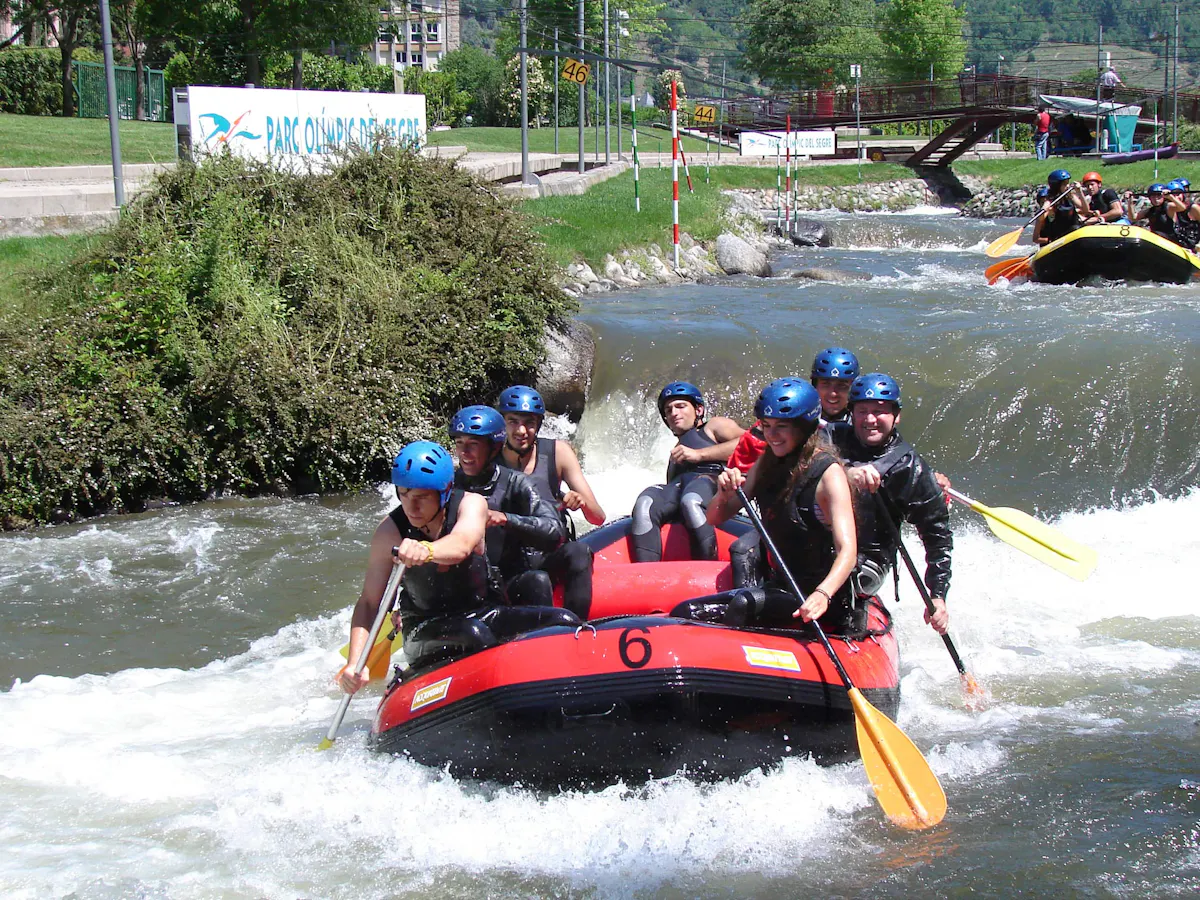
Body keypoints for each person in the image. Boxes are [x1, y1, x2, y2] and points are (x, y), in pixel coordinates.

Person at [338, 441, 490, 695]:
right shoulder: (390, 531)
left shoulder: (471, 504)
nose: (411, 507)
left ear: (445, 492)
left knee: (557, 619)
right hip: (423, 627)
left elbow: (462, 544)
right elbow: (369, 603)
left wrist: (427, 550)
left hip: (482, 611)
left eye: (421, 497)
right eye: (404, 494)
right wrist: (355, 663)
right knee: (473, 634)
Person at [705, 378, 858, 631]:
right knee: (688, 611)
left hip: (820, 598)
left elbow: (848, 550)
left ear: (805, 426)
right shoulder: (766, 463)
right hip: (782, 587)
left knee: (743, 603)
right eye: (766, 426)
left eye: (781, 426)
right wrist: (723, 494)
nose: (771, 435)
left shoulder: (829, 474)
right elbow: (714, 518)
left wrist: (823, 593)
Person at [826, 374, 952, 636]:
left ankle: (852, 622)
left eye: (879, 412)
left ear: (896, 416)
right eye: (862, 411)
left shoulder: (911, 469)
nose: (870, 420)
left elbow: (937, 534)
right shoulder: (830, 438)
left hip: (866, 560)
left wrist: (937, 595)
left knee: (852, 578)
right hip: (819, 540)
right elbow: (798, 470)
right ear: (852, 414)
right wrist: (845, 472)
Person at [496, 385, 602, 618]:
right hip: (509, 564)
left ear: (539, 424)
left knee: (579, 551)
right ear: (502, 423)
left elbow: (598, 517)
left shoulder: (558, 452)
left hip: (549, 554)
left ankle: (577, 627)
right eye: (513, 421)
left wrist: (580, 501)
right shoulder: (489, 459)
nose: (521, 430)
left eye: (530, 422)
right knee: (536, 580)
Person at [449, 405, 566, 607]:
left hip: (507, 583)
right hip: (463, 585)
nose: (464, 452)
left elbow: (554, 531)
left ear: (494, 448)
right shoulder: (447, 485)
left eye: (473, 444)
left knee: (536, 580)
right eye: (460, 443)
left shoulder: (517, 483)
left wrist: (504, 519)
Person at [631, 381, 745, 562]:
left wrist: (699, 455)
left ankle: (707, 569)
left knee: (691, 501)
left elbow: (753, 444)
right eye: (668, 410)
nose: (674, 413)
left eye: (681, 406)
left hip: (710, 481)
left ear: (698, 410)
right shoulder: (676, 450)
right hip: (679, 488)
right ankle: (644, 577)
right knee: (645, 503)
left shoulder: (713, 426)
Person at [810, 346, 860, 425]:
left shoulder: (863, 423)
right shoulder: (798, 421)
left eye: (842, 385)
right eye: (826, 384)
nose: (833, 393)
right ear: (814, 386)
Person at [1035, 169, 1087, 245]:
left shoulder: (1070, 196)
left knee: (1077, 227)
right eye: (1065, 184)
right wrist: (1044, 209)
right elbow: (1040, 219)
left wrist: (1080, 192)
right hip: (1059, 239)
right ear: (1057, 186)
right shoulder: (1050, 202)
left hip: (1073, 233)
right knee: (1075, 228)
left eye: (1068, 183)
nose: (1068, 186)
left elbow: (1086, 209)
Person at [1166, 178, 1200, 250]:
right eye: (1173, 195)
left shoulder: (1193, 208)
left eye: (1178, 194)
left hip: (1193, 247)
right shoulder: (1169, 208)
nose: (1176, 197)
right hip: (1177, 246)